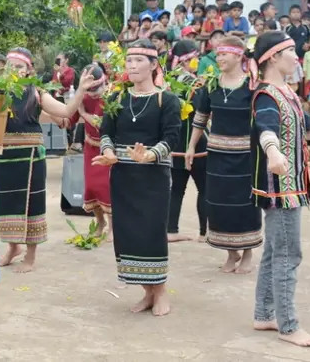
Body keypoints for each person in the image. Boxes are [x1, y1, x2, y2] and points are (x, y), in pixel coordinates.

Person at [250, 31, 310, 348]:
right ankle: (288, 326)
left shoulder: (285, 91)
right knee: (288, 254)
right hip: (281, 188)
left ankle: (264, 314)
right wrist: (273, 153)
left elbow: (306, 123)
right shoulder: (266, 95)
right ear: (273, 57)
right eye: (291, 51)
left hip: (290, 185)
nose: (297, 56)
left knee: (275, 252)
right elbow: (266, 128)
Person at [94, 39, 181, 317]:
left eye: (138, 61)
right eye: (128, 60)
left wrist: (151, 155)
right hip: (123, 176)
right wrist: (108, 151)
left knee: (153, 232)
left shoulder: (166, 100)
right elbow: (106, 131)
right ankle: (147, 292)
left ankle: (161, 290)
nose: (131, 65)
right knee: (129, 233)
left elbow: (172, 137)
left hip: (153, 178)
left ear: (154, 65)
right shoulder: (117, 98)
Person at [0, 48, 98, 273]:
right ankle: (13, 247)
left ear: (29, 70)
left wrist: (80, 90)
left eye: (20, 67)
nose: (14, 71)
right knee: (5, 203)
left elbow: (66, 110)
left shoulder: (37, 93)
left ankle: (30, 256)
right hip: (3, 157)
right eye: (10, 66)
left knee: (32, 206)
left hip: (31, 156)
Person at [188, 35, 260, 273]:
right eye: (217, 54)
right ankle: (231, 253)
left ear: (239, 55)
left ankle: (247, 252)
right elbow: (200, 118)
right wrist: (191, 147)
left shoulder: (252, 86)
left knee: (244, 204)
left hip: (245, 157)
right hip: (217, 155)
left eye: (223, 54)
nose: (219, 58)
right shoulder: (211, 85)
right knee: (219, 204)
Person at [167, 40, 207, 243]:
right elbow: (203, 112)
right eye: (193, 58)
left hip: (174, 142)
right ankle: (204, 233)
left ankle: (171, 230)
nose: (197, 61)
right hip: (195, 141)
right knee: (204, 187)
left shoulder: (168, 82)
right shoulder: (195, 84)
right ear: (185, 60)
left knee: (177, 189)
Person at [70, 64, 111, 238]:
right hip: (90, 148)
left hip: (107, 150)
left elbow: (100, 123)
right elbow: (70, 117)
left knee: (106, 187)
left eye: (96, 89)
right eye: (90, 89)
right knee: (91, 187)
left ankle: (113, 230)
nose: (93, 93)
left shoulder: (112, 97)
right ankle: (100, 223)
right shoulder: (84, 97)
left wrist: (83, 113)